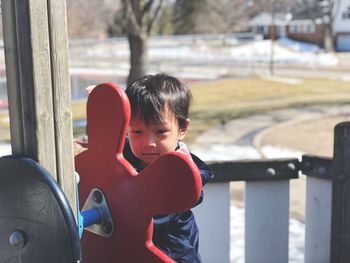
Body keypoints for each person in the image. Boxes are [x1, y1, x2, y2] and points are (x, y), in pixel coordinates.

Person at [123, 73, 213, 262]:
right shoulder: (126, 156)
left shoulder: (181, 175)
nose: (149, 142)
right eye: (137, 131)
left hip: (172, 254)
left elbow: (150, 218)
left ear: (182, 129)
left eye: (161, 132)